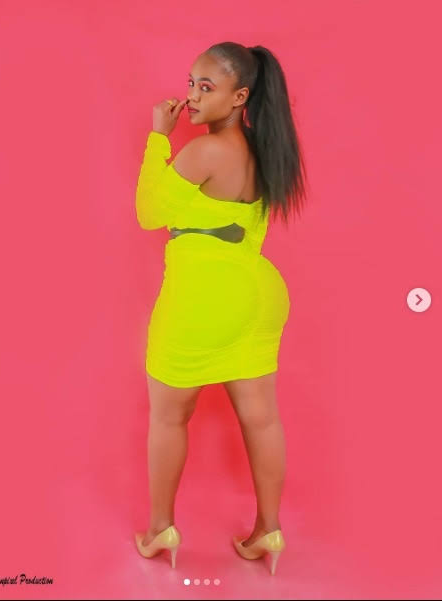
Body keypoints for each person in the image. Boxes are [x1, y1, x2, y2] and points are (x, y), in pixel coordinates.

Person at [134, 41, 307, 576]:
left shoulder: (204, 152)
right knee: (262, 418)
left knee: (169, 416)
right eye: (191, 83)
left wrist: (158, 138)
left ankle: (160, 528)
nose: (191, 95)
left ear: (239, 96)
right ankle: (269, 529)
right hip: (258, 293)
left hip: (203, 298)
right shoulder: (265, 149)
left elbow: (149, 212)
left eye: (206, 87)